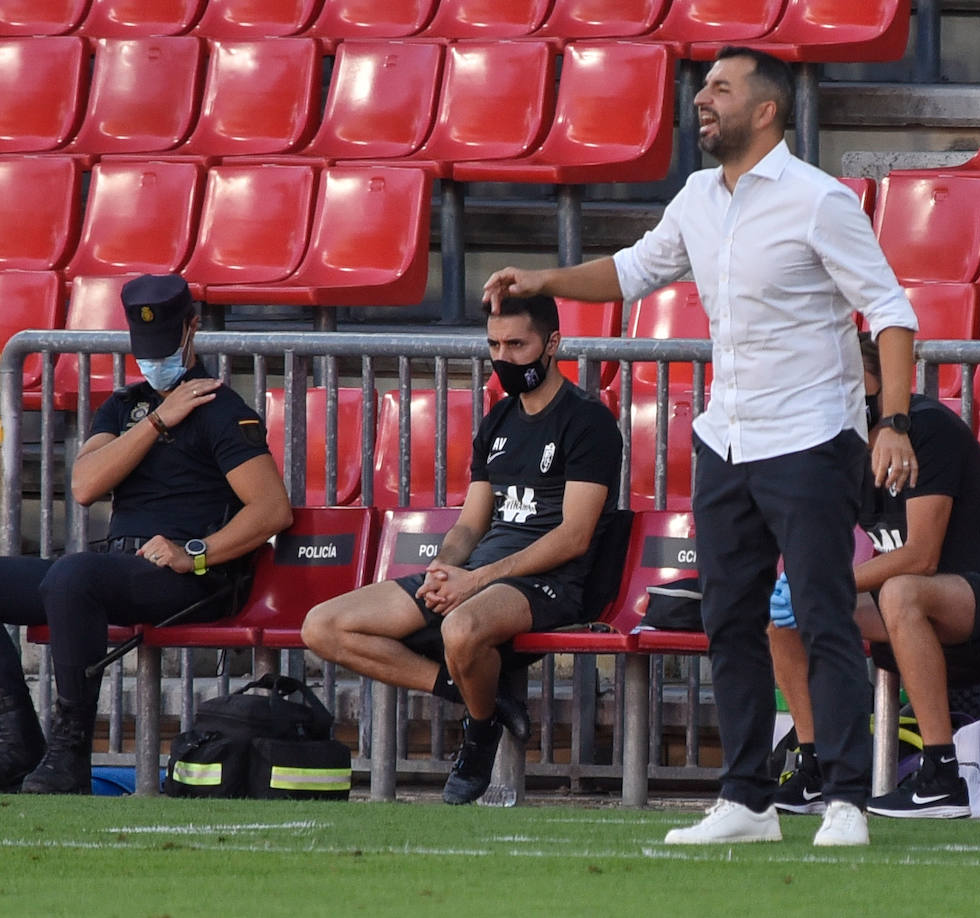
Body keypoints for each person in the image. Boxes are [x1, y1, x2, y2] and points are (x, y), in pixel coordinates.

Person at [483, 47, 917, 846]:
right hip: (726, 437)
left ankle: (848, 798)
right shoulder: (693, 197)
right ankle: (747, 800)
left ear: (767, 111)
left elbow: (890, 312)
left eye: (721, 89)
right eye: (702, 88)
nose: (702, 101)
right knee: (730, 621)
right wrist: (544, 281)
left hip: (813, 436)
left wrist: (892, 423)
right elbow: (632, 272)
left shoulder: (820, 201)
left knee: (824, 616)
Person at [301, 295, 623, 805]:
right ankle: (471, 695)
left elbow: (574, 536)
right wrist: (445, 566)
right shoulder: (498, 422)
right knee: (322, 626)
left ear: (553, 344)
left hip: (552, 582)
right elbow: (472, 522)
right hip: (480, 573)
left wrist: (477, 580)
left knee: (461, 626)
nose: (505, 357)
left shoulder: (588, 421)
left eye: (518, 344)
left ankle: (477, 737)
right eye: (495, 345)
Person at [0, 273, 293, 794]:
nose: (154, 360)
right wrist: (157, 420)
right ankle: (16, 742)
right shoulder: (125, 407)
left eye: (163, 346)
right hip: (119, 567)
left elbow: (271, 510)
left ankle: (69, 753)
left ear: (191, 331)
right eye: (144, 349)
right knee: (57, 575)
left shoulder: (221, 410)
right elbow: (87, 485)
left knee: (74, 576)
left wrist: (195, 553)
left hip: (190, 577)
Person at [769, 334, 980, 818]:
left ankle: (942, 775)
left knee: (901, 592)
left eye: (850, 381)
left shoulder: (925, 429)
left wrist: (832, 583)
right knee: (783, 615)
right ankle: (815, 769)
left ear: (883, 384)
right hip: (925, 602)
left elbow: (921, 556)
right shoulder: (836, 447)